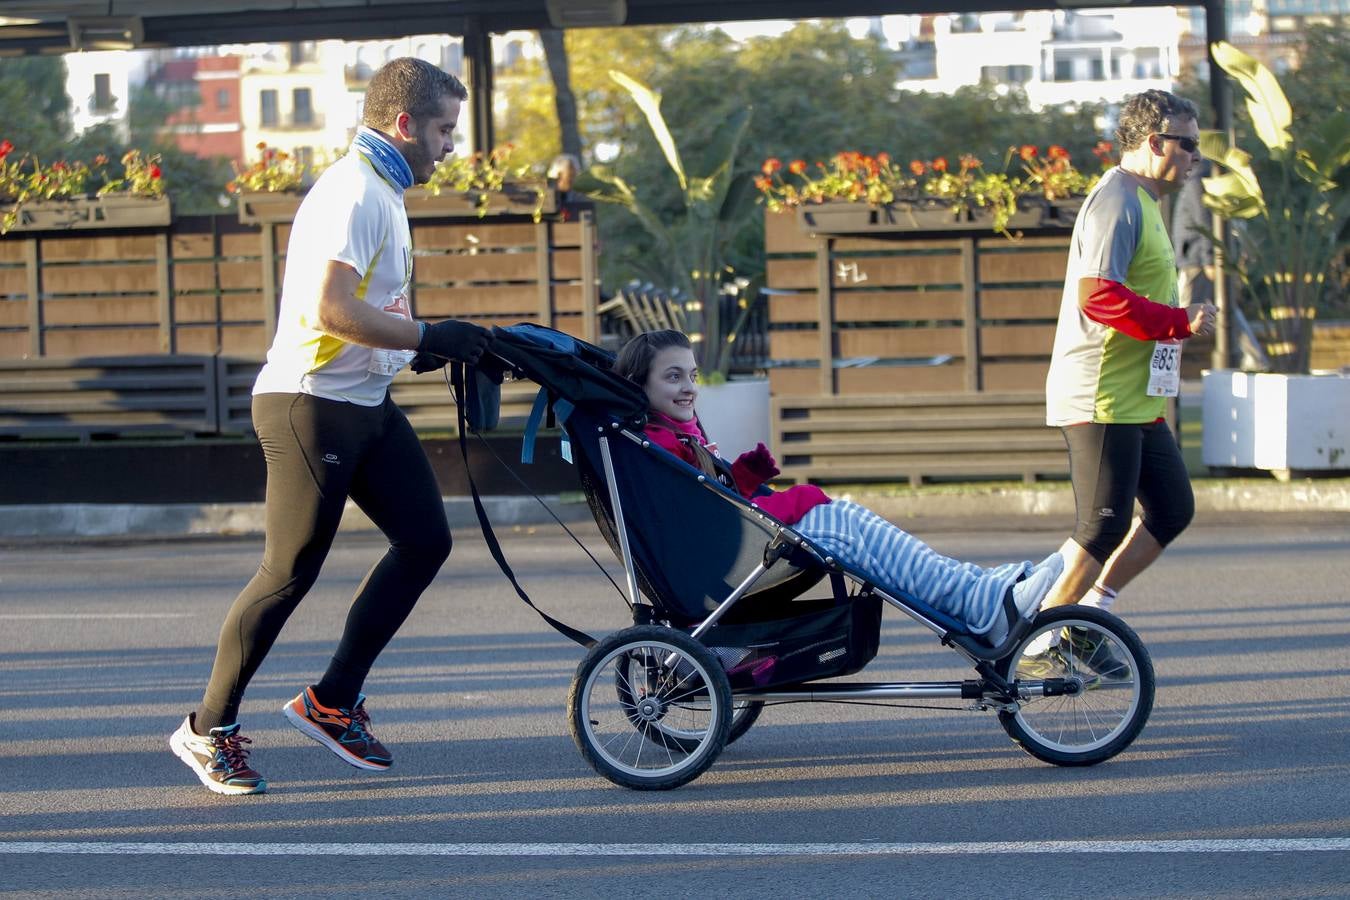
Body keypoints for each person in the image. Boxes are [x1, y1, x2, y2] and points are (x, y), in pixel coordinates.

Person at [170, 58, 493, 796]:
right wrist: (428, 337)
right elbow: (331, 311)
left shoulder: (382, 188)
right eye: (444, 130)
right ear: (404, 123)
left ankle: (331, 700)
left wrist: (410, 347)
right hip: (308, 403)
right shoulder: (356, 191)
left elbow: (368, 310)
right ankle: (204, 729)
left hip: (360, 403)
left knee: (425, 541)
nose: (450, 146)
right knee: (288, 572)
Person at [614, 330, 1064, 649]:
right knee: (855, 530)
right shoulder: (657, 442)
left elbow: (711, 498)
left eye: (692, 376)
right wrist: (796, 497)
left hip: (736, 546)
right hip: (735, 559)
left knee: (862, 526)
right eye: (674, 377)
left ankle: (980, 591)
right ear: (640, 385)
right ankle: (981, 605)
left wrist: (746, 476)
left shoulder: (671, 434)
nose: (689, 387)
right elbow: (708, 516)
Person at [1038, 90, 1216, 663]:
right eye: (1188, 144)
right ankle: (1043, 634)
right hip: (1100, 393)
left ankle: (1090, 609)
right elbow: (1100, 297)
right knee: (1101, 526)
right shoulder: (1117, 199)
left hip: (1133, 399)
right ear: (1155, 142)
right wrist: (1178, 323)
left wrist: (1175, 329)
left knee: (1171, 508)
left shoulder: (1146, 201)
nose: (1194, 157)